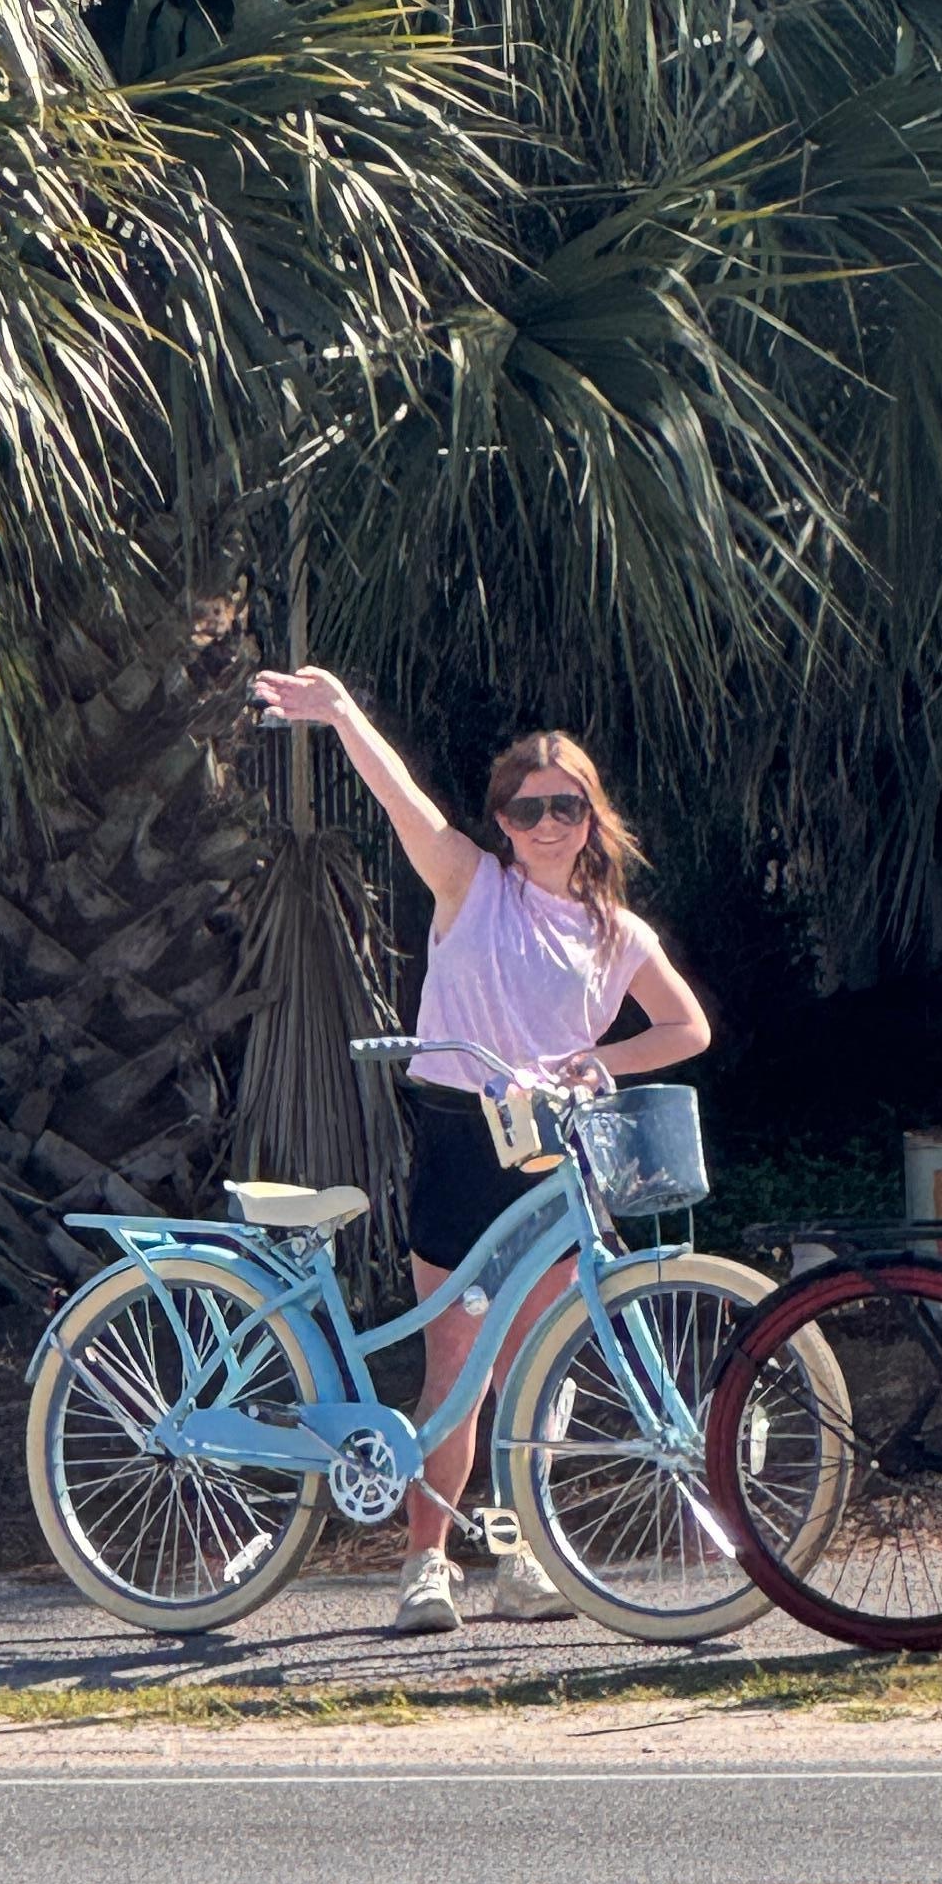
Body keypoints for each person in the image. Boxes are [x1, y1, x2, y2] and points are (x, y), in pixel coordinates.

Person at [250, 669, 712, 1634]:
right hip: (461, 1144)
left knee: (543, 1370)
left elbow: (687, 1029)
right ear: (503, 819)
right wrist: (339, 713)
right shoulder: (470, 883)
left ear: (592, 817)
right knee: (456, 1364)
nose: (549, 823)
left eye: (568, 806)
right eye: (529, 807)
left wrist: (597, 1060)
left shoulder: (615, 931)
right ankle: (426, 1563)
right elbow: (400, 800)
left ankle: (528, 1557)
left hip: (554, 1154)